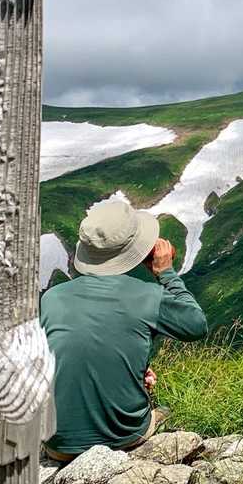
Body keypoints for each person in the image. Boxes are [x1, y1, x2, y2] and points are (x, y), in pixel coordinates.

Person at [40, 197, 208, 460]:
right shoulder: (147, 296)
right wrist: (166, 273)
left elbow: (69, 353)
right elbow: (196, 325)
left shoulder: (51, 298)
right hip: (125, 436)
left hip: (58, 445)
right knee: (166, 411)